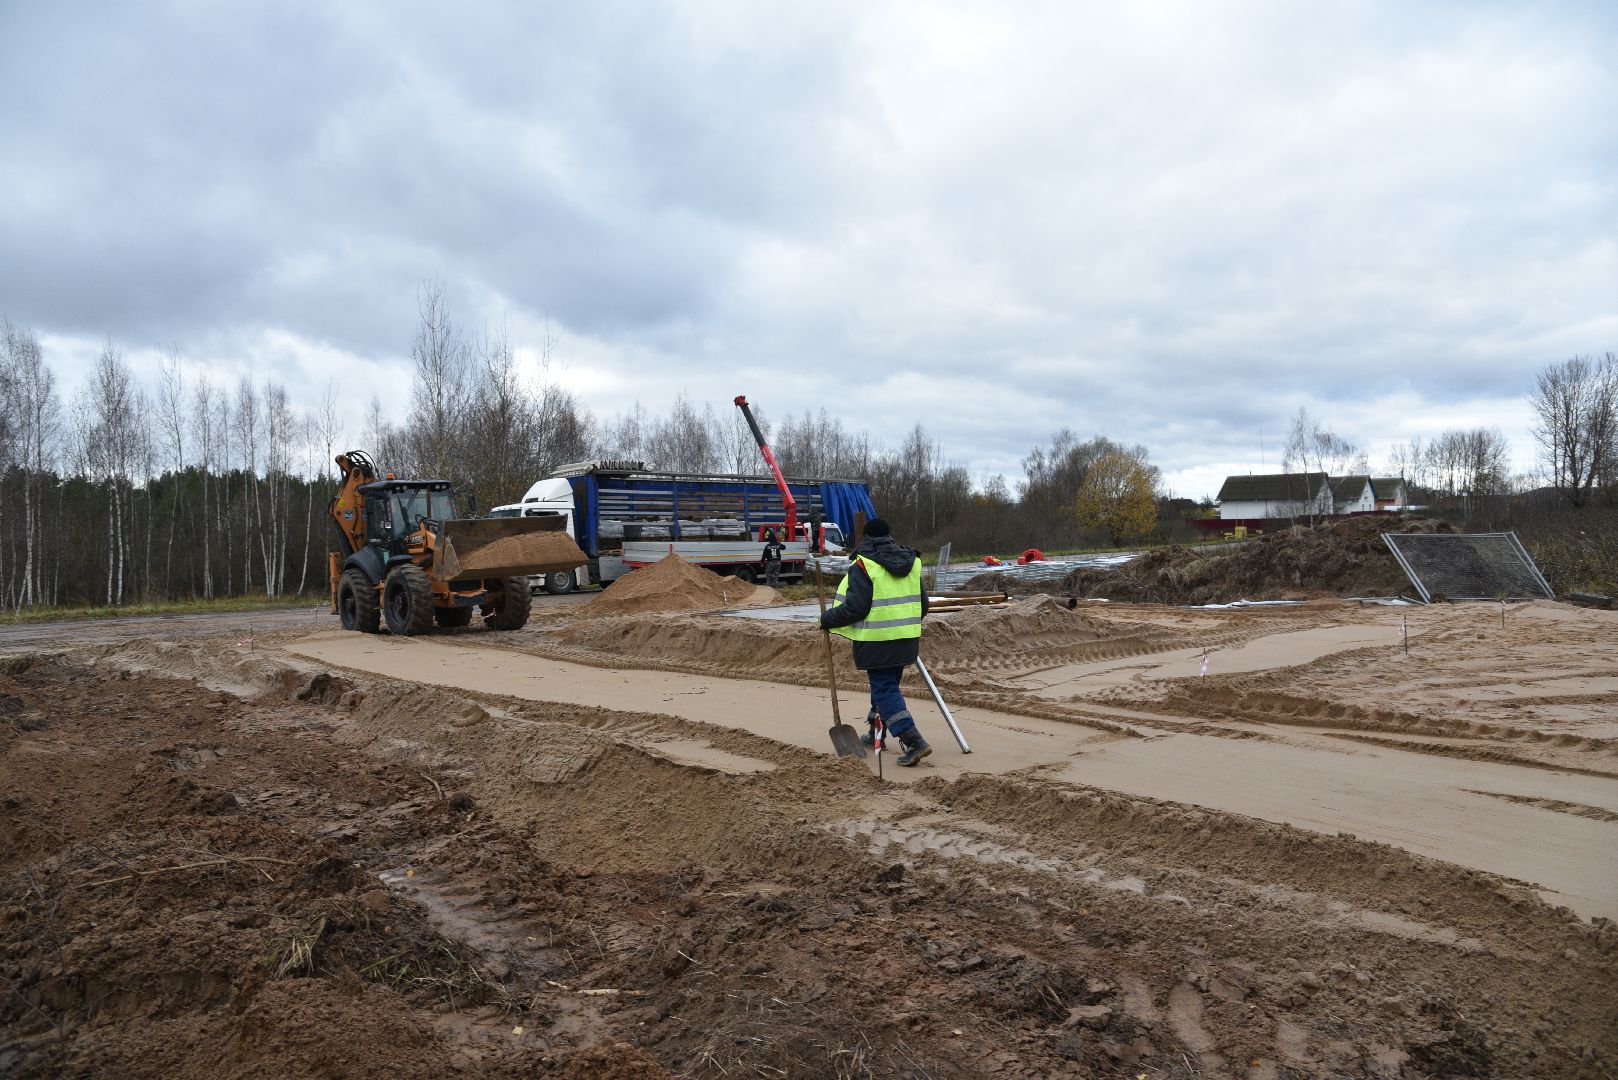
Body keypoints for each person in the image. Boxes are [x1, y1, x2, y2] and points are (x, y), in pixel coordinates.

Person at [818, 518, 932, 766]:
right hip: (906, 640)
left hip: (878, 641)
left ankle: (914, 741)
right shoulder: (911, 563)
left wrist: (827, 619)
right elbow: (923, 605)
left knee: (885, 689)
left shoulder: (864, 565)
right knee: (887, 686)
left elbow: (855, 608)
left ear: (865, 539)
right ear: (889, 537)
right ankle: (874, 733)